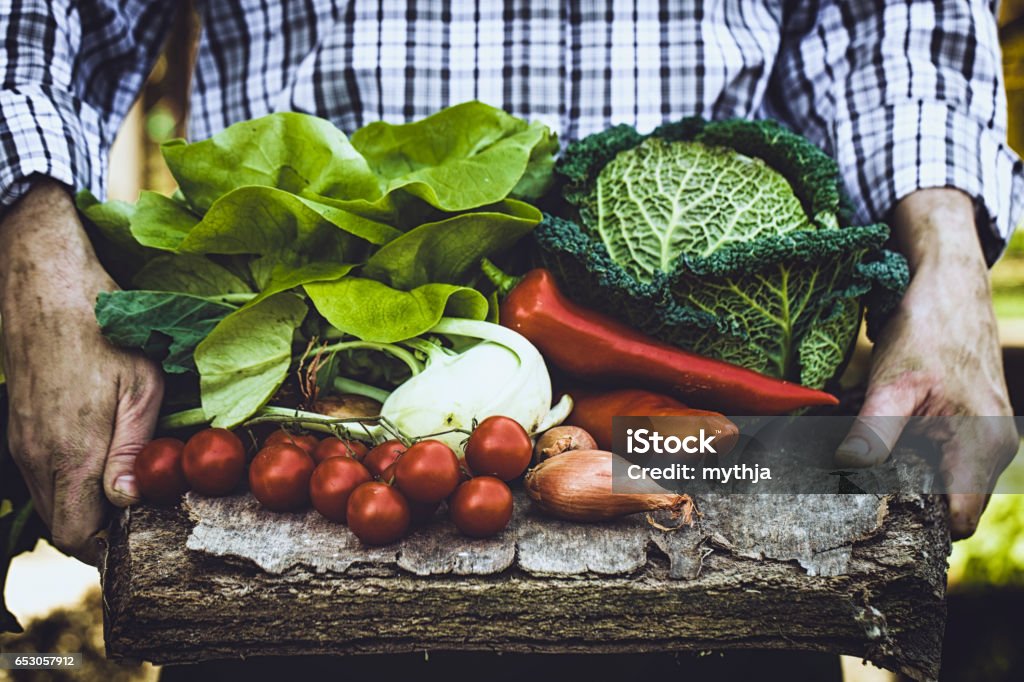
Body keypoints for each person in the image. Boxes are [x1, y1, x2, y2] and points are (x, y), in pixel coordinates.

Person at [0, 0, 1021, 566]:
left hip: (722, 515)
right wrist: (36, 250)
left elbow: (890, 22)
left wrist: (946, 258)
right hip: (297, 481)